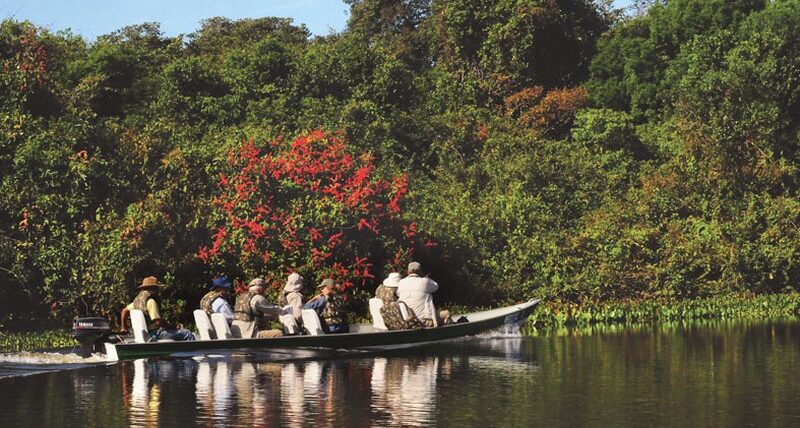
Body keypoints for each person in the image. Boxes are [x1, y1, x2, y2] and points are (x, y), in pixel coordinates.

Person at [120, 276, 195, 341]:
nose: (159, 290)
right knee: (187, 333)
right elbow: (158, 322)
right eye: (157, 288)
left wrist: (123, 327)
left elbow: (124, 310)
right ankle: (192, 352)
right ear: (153, 288)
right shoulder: (151, 301)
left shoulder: (137, 301)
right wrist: (172, 327)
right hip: (155, 334)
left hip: (143, 335)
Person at [396, 262, 451, 328]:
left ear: (408, 272)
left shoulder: (401, 282)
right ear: (420, 272)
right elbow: (436, 286)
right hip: (424, 321)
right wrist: (425, 277)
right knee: (447, 313)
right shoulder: (425, 281)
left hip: (408, 321)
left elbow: (398, 294)